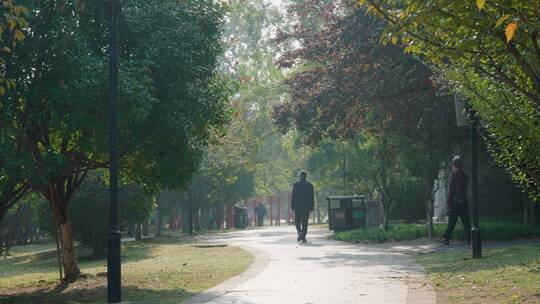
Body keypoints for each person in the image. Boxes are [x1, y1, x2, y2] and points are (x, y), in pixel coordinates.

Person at [442, 158, 472, 245]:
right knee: (466, 221)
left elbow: (451, 190)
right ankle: (469, 238)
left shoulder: (453, 176)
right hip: (464, 201)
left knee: (452, 222)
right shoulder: (465, 176)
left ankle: (446, 238)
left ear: (454, 166)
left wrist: (449, 203)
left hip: (455, 202)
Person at [291, 170, 314, 242]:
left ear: (299, 176)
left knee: (297, 221)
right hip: (307, 207)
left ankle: (300, 233)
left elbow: (293, 196)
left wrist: (292, 206)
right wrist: (312, 206)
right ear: (306, 176)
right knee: (305, 222)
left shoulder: (296, 185)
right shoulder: (310, 185)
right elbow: (312, 197)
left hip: (298, 206)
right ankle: (303, 236)